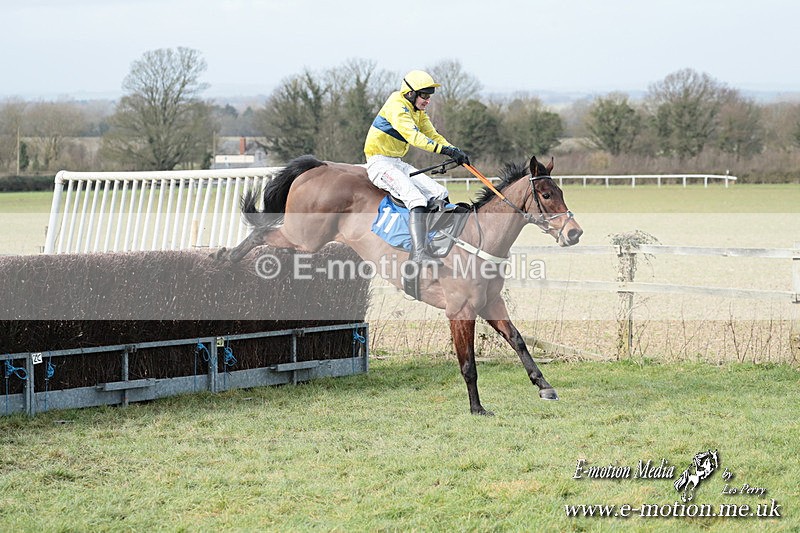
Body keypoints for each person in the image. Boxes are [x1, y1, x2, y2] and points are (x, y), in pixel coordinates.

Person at [364, 69, 469, 265]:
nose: (427, 100)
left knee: (440, 192)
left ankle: (435, 241)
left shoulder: (417, 111)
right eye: (424, 96)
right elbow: (414, 137)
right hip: (379, 163)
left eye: (429, 96)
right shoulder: (397, 106)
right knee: (416, 199)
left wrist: (455, 150)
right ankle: (419, 253)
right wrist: (445, 151)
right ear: (410, 93)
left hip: (397, 162)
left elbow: (432, 135)